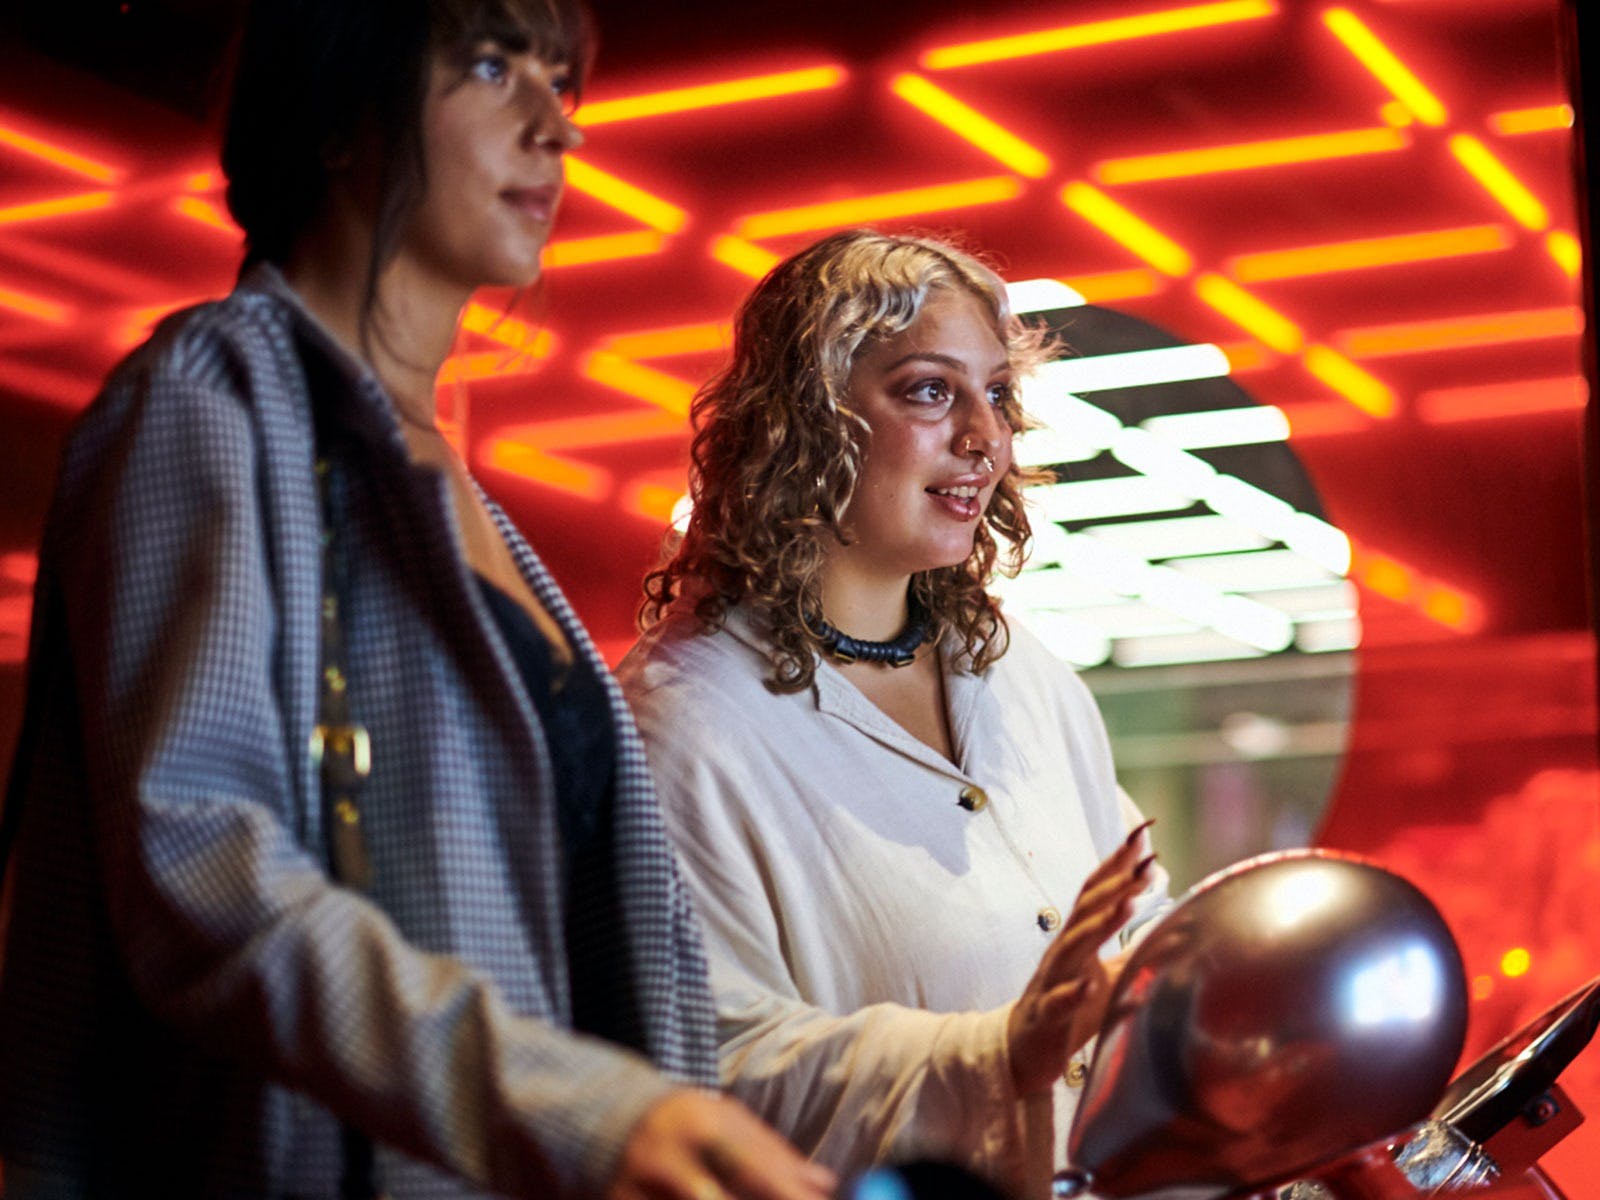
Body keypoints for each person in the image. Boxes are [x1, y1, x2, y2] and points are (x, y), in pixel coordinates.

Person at [0, 2, 836, 1198]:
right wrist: (579, 1112)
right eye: (491, 67)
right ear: (339, 115)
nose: (557, 127)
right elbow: (204, 879)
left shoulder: (456, 492)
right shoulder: (211, 399)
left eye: (560, 80)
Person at [618, 230, 1169, 1199]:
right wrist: (996, 1052)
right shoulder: (686, 726)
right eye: (928, 390)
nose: (984, 438)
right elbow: (707, 1072)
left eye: (996, 393)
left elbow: (1145, 928)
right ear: (804, 419)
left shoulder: (1019, 674)